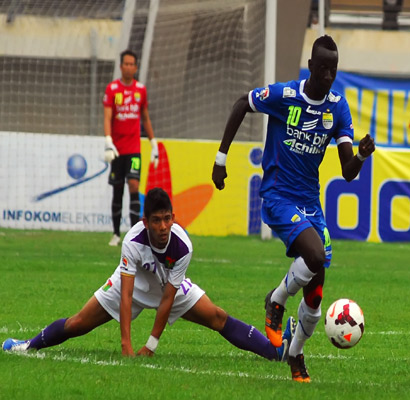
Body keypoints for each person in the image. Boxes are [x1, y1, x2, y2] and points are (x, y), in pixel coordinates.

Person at [212, 35, 375, 382]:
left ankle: (296, 354)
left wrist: (360, 154)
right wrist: (221, 158)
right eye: (323, 69)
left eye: (334, 70)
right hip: (278, 196)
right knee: (315, 255)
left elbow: (348, 172)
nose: (329, 76)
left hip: (310, 202)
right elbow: (242, 103)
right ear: (311, 66)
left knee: (316, 294)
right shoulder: (285, 96)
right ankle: (277, 297)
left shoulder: (337, 108)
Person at [3, 188, 295, 365]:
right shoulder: (133, 240)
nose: (163, 226)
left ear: (173, 217)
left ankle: (276, 352)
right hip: (133, 283)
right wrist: (127, 346)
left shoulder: (183, 246)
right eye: (156, 220)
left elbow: (169, 296)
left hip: (167, 285)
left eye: (167, 218)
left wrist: (151, 345)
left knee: (217, 316)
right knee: (78, 323)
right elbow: (127, 295)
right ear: (146, 221)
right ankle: (25, 345)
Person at [103, 49, 159, 247]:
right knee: (117, 189)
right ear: (121, 67)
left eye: (131, 64)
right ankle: (116, 233)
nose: (128, 67)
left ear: (135, 67)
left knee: (134, 185)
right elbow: (108, 116)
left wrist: (153, 143)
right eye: (125, 64)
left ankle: (135, 234)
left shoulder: (140, 90)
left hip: (134, 148)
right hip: (117, 150)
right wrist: (108, 140)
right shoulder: (112, 89)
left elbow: (145, 117)